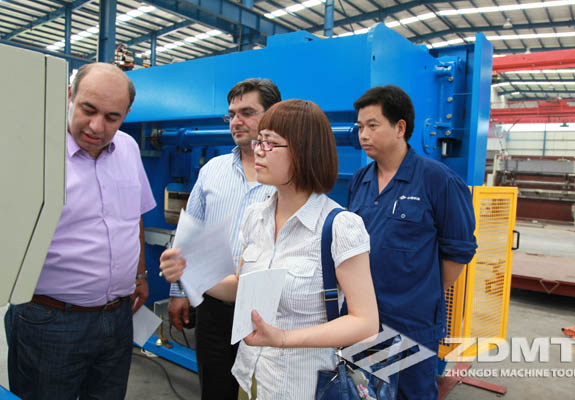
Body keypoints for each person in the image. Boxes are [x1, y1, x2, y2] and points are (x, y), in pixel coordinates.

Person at [160, 99, 379, 400]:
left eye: (270, 143)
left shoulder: (339, 227)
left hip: (302, 387)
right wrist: (190, 271)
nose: (258, 150)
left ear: (304, 152)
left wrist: (283, 338)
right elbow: (240, 287)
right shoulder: (256, 217)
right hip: (250, 378)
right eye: (259, 140)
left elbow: (365, 322)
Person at [4, 63, 156, 400]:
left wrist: (140, 275)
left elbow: (134, 218)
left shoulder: (128, 148)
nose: (97, 127)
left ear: (127, 114)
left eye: (112, 117)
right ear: (70, 94)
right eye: (88, 110)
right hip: (49, 320)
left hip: (118, 318)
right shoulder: (33, 147)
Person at [347, 85, 477, 400]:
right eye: (360, 127)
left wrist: (418, 293)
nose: (363, 135)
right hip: (363, 319)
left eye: (372, 125)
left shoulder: (439, 180)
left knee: (410, 394)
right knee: (364, 393)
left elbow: (457, 254)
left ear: (400, 128)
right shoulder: (360, 180)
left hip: (411, 324)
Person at [167, 78, 280, 399]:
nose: (236, 121)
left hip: (265, 310)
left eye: (247, 113)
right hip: (212, 308)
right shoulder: (212, 171)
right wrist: (178, 292)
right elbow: (189, 233)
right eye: (231, 114)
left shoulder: (287, 174)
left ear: (273, 116)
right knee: (215, 390)